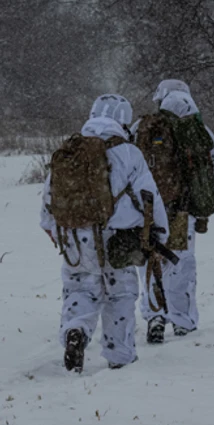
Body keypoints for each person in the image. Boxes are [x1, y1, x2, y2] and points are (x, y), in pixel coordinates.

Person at [40, 94, 169, 372]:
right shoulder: (129, 153)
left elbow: (49, 198)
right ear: (124, 119)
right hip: (119, 241)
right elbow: (150, 197)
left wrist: (54, 230)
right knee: (119, 295)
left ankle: (76, 330)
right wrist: (160, 234)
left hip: (75, 237)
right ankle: (119, 356)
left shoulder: (70, 149)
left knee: (79, 287)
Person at [134, 80, 214, 343]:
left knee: (150, 261)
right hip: (181, 210)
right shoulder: (198, 130)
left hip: (145, 211)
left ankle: (154, 316)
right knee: (180, 264)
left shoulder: (142, 127)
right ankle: (182, 321)